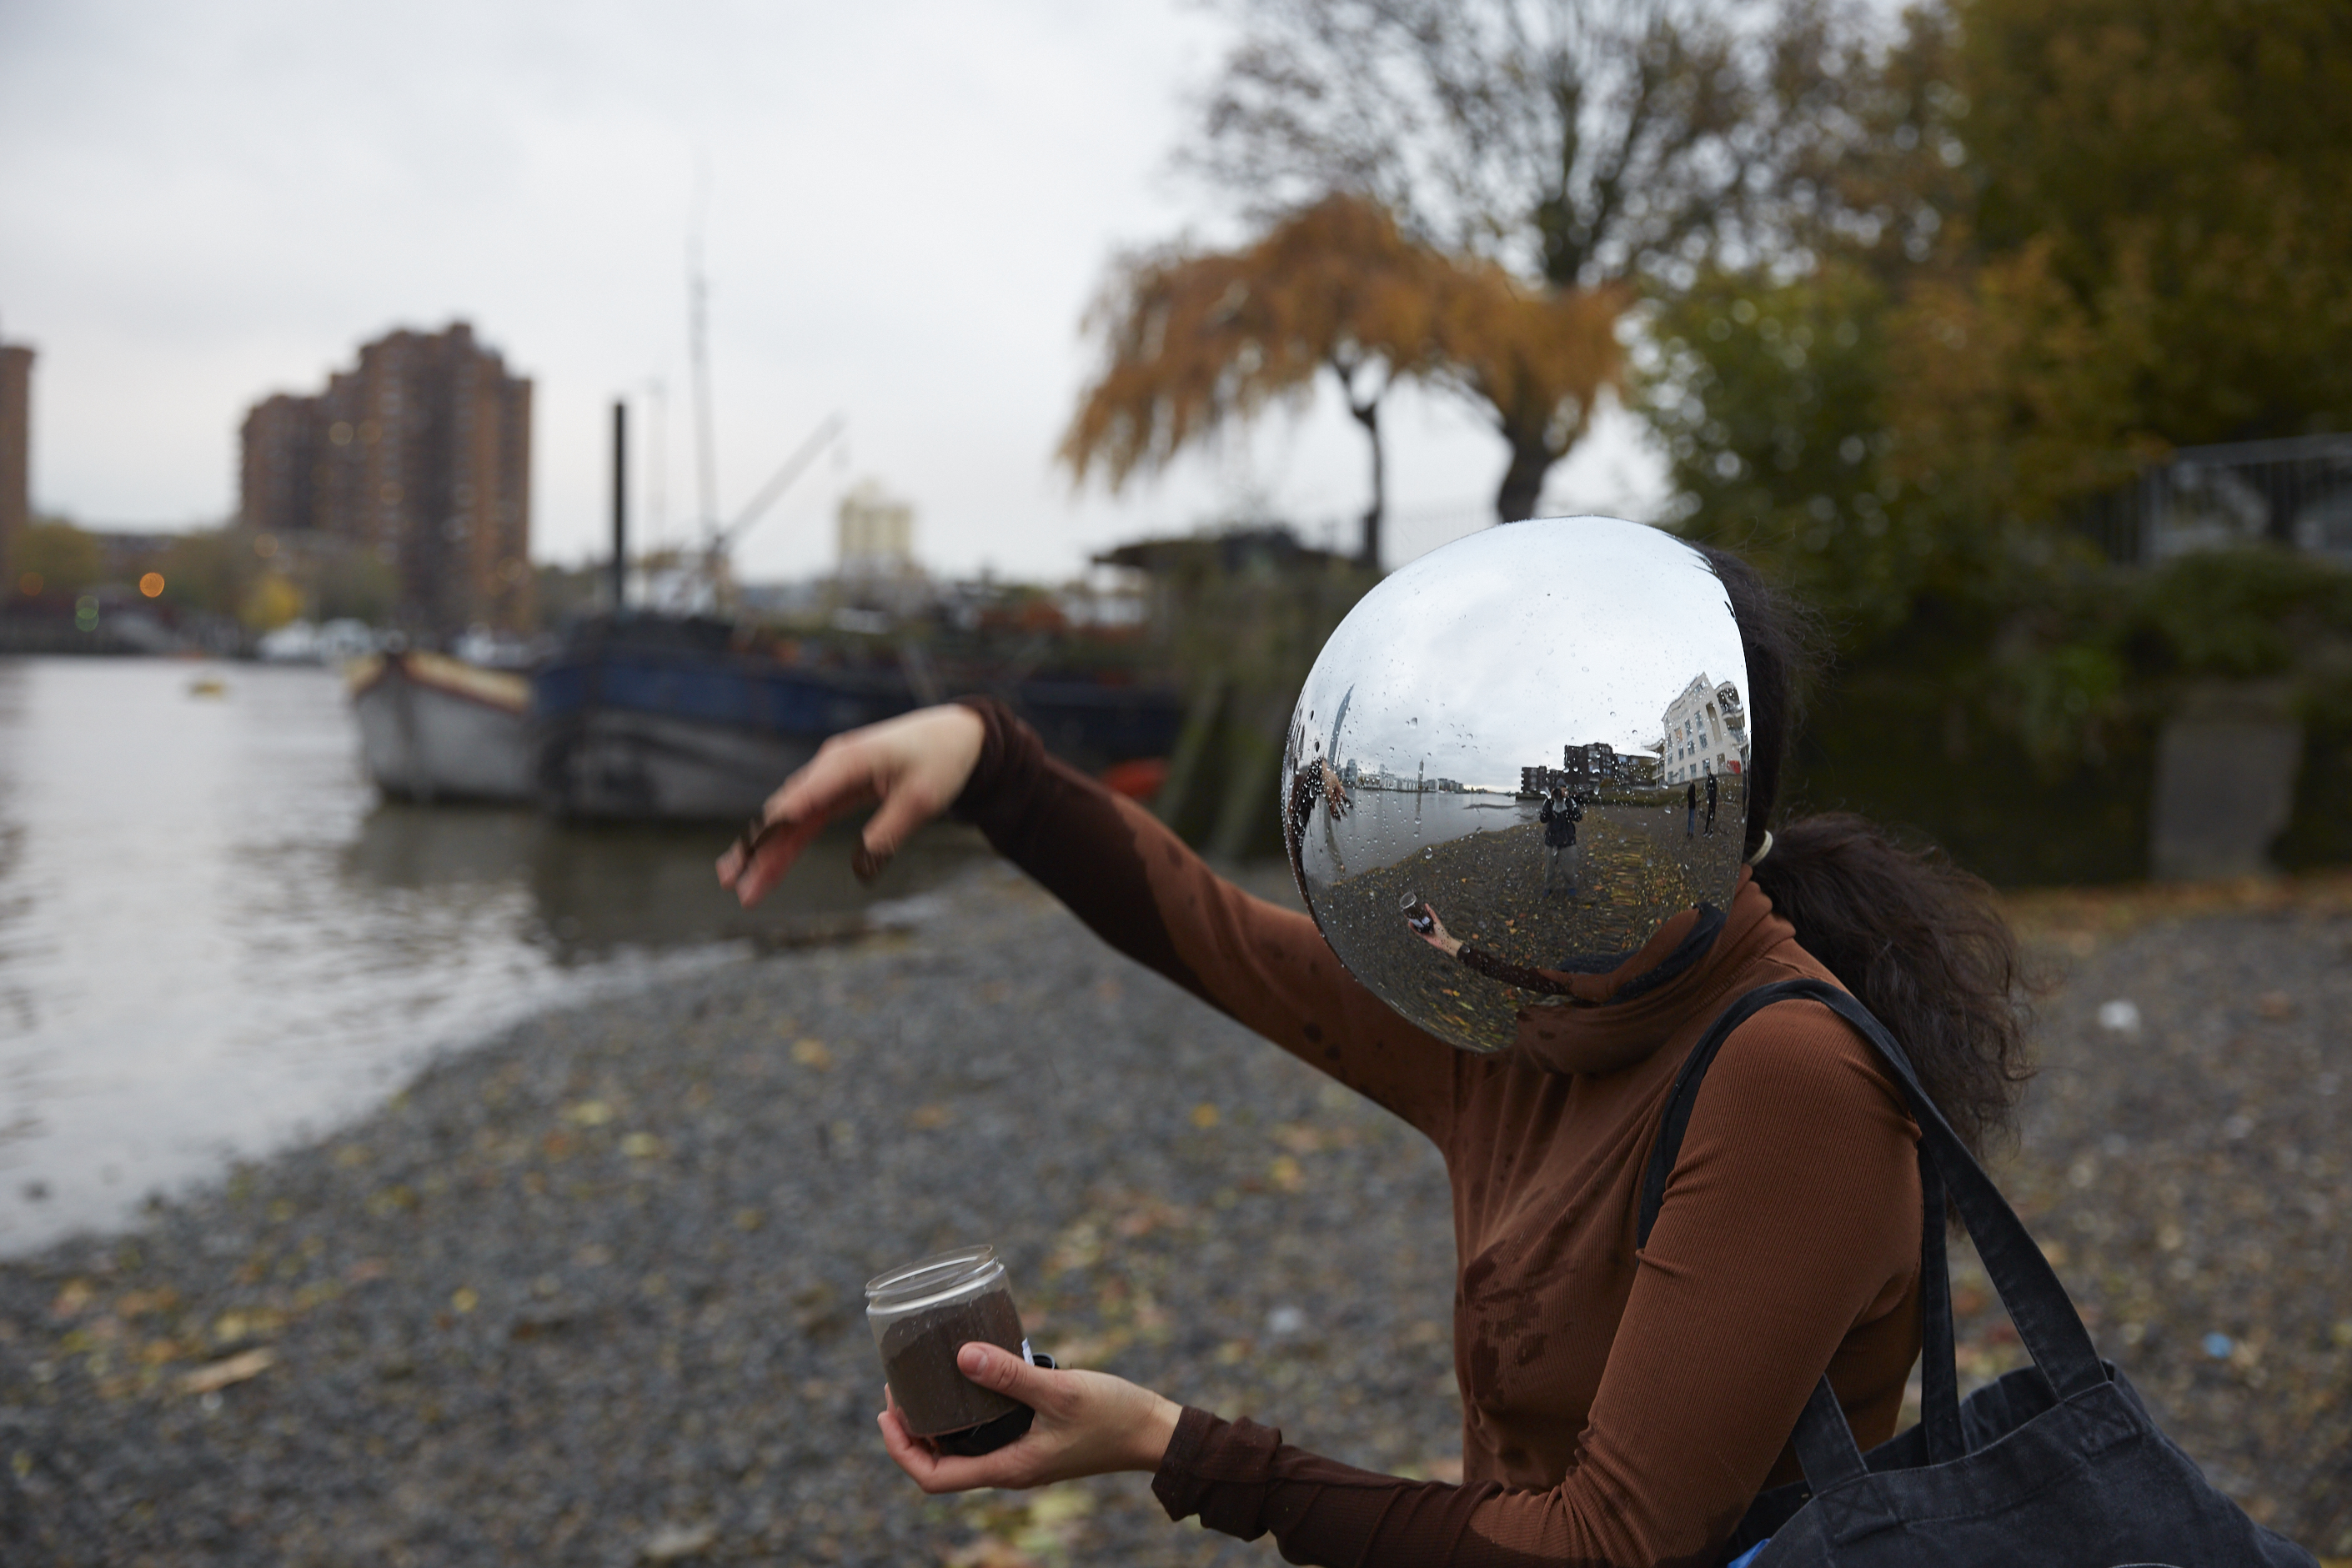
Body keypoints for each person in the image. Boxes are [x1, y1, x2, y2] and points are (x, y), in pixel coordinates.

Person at [715, 546, 2030, 1567]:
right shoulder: (1528, 1016)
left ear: (1707, 817)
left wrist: (1181, 1450)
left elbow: (1611, 1546)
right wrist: (986, 759)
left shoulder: (1790, 1076)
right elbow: (1221, 941)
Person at [1538, 783, 1582, 899]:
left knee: (1569, 868)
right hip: (1551, 841)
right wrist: (1549, 801)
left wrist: (1567, 800)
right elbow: (1543, 819)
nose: (1560, 794)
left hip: (1568, 841)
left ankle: (1571, 886)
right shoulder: (1549, 802)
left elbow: (1578, 817)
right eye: (1557, 790)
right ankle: (1548, 887)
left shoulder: (1570, 802)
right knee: (1549, 868)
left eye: (1562, 790)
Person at [1706, 771, 1720, 837]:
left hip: (1713, 800)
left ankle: (1711, 831)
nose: (1707, 772)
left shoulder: (1713, 778)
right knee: (1709, 815)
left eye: (1708, 770)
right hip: (1710, 800)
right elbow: (1707, 788)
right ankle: (1706, 830)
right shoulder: (1708, 779)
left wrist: (1712, 796)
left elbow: (1715, 788)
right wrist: (1708, 796)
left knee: (1712, 815)